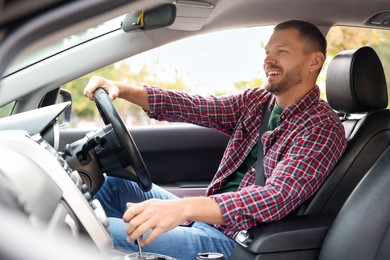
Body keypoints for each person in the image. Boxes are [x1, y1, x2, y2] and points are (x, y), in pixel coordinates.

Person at [84, 20, 347, 259]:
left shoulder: (322, 127)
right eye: (268, 52)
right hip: (208, 222)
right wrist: (122, 89)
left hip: (235, 241)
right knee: (112, 184)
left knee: (85, 231)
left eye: (282, 51)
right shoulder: (258, 102)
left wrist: (185, 209)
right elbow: (197, 106)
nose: (269, 60)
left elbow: (276, 197)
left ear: (314, 61)